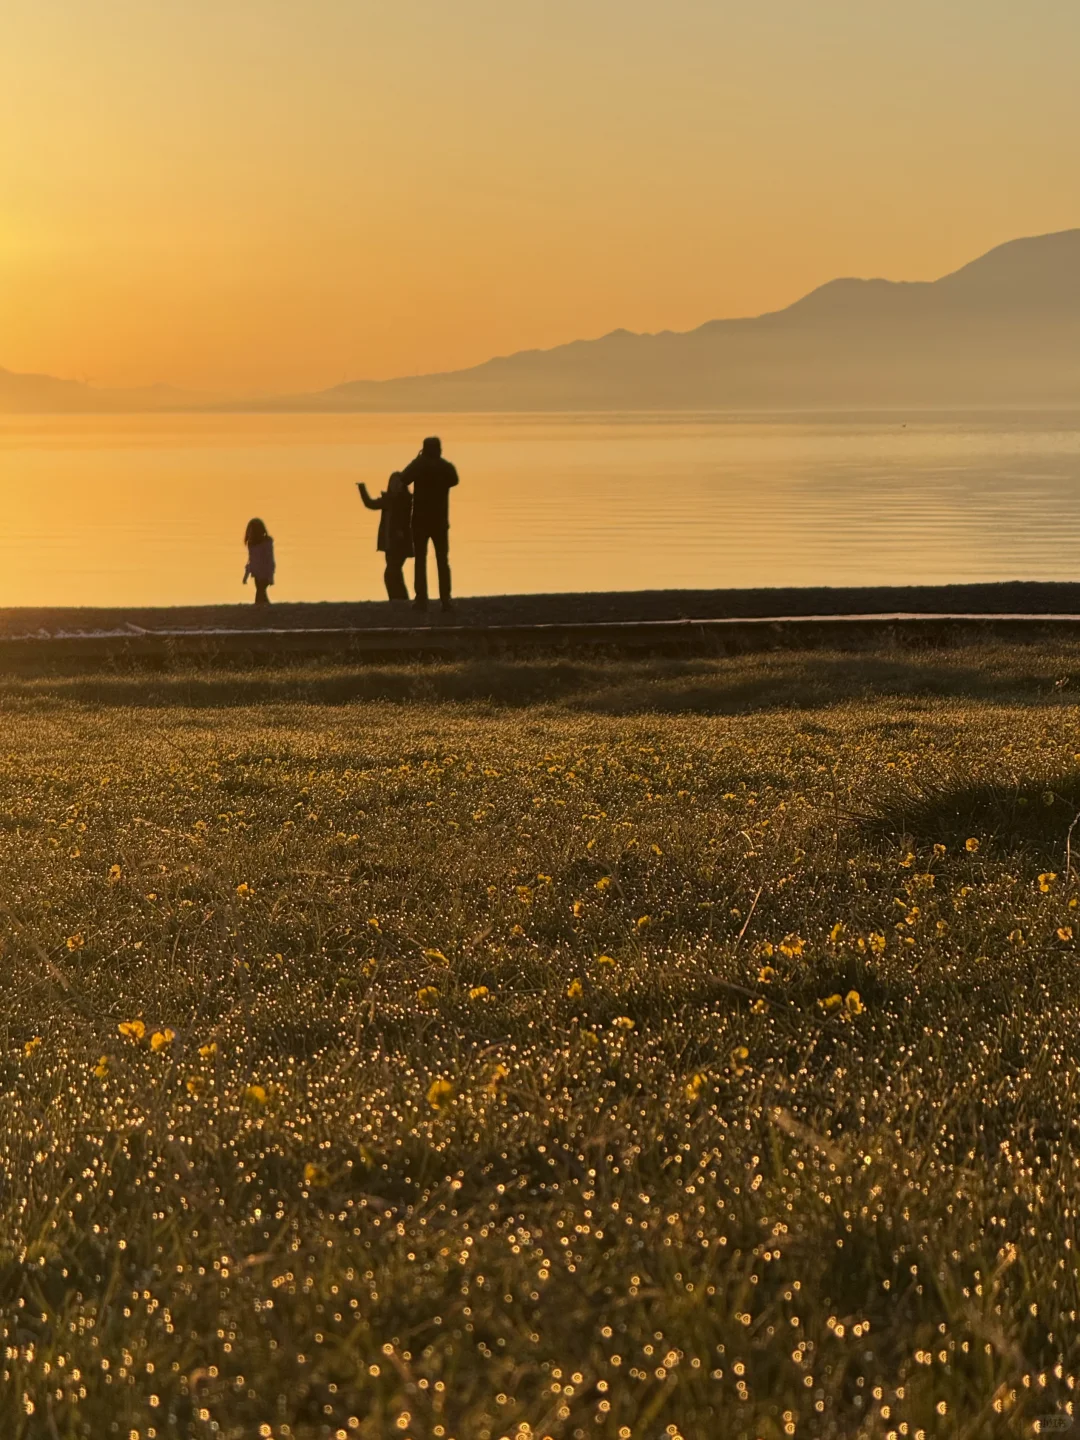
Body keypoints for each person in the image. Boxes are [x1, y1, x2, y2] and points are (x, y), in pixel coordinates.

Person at [400, 436, 459, 612]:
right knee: (442, 560)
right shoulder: (445, 467)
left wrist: (418, 460)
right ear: (439, 449)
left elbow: (403, 478)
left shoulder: (419, 465)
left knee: (420, 560)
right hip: (440, 520)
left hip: (420, 520)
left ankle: (421, 600)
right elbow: (455, 480)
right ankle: (445, 600)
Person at [357, 472, 413, 601]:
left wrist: (402, 531)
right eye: (393, 483)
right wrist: (362, 488)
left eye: (398, 483)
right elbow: (370, 504)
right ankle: (398, 599)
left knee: (391, 572)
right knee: (394, 572)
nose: (395, 485)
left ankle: (399, 599)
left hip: (401, 543)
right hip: (389, 544)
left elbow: (408, 520)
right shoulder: (388, 500)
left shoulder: (407, 500)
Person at [243, 518, 275, 604]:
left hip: (265, 573)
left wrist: (271, 576)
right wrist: (246, 575)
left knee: (260, 593)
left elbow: (270, 560)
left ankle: (260, 608)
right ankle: (266, 607)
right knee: (262, 593)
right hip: (257, 574)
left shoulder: (266, 543)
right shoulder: (251, 544)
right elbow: (251, 561)